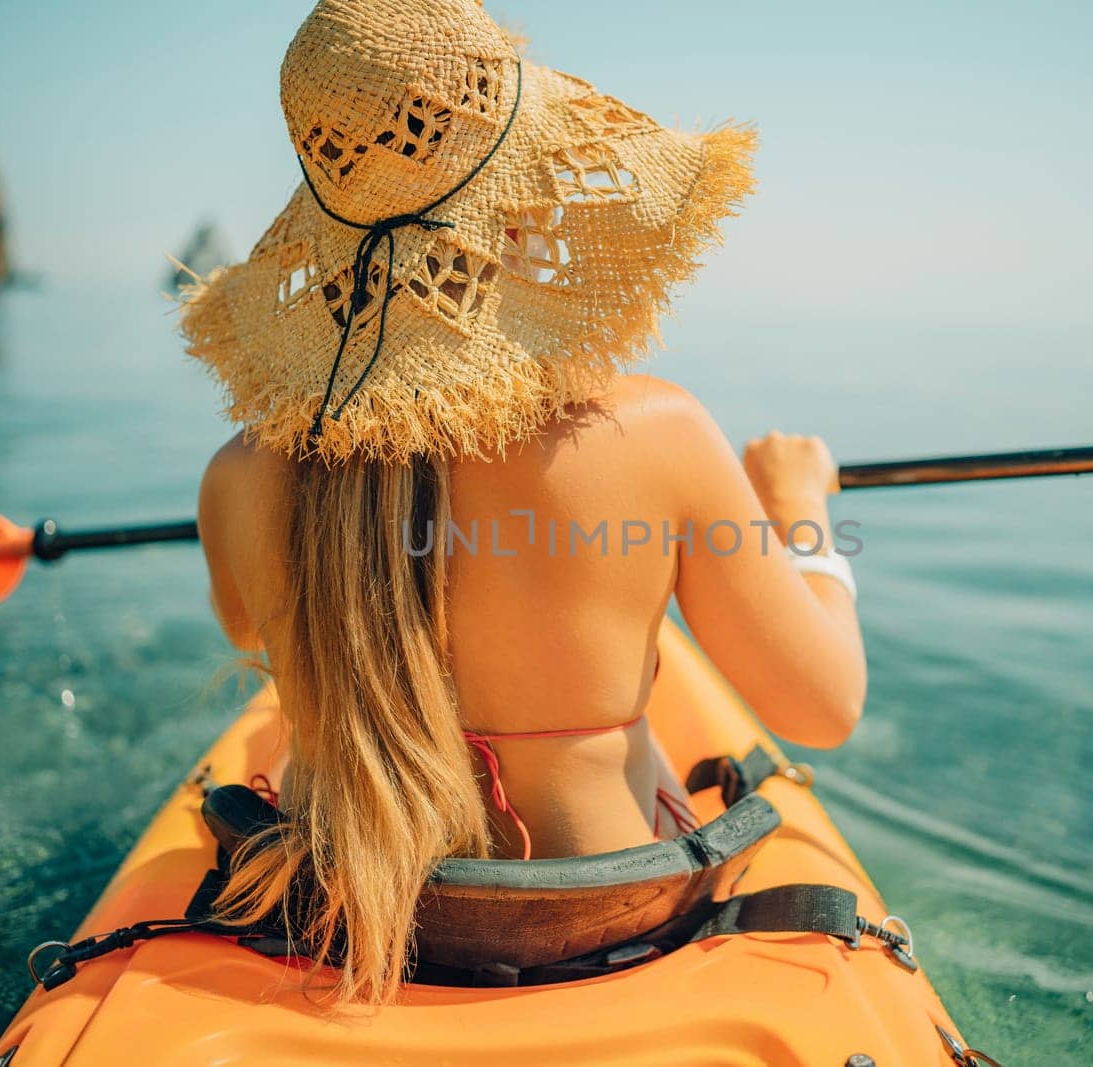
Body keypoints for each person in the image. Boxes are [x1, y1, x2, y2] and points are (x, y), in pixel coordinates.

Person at [187, 0, 865, 1004]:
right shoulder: (659, 435)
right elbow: (825, 706)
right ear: (529, 193)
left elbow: (249, 626)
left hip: (335, 920)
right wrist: (801, 518)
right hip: (593, 924)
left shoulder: (239, 475)